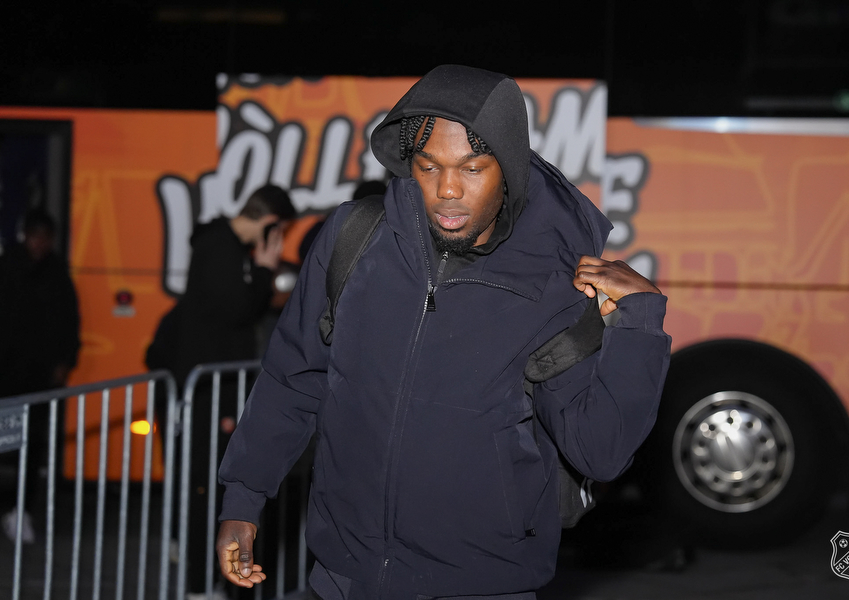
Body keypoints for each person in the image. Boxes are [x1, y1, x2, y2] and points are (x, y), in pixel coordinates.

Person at [216, 65, 671, 599]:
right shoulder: (354, 240)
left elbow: (600, 451)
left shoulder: (554, 283)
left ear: (509, 170)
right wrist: (243, 499)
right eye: (428, 166)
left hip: (481, 584)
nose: (447, 190)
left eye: (472, 168)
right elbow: (291, 380)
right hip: (344, 577)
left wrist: (639, 320)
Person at [162, 183, 295, 600]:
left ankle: (207, 580)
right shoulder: (221, 247)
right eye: (280, 231)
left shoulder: (225, 247)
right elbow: (236, 312)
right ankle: (200, 583)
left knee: (210, 483)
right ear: (270, 222)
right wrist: (264, 270)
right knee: (206, 487)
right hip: (207, 391)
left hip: (212, 388)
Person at [0, 208, 81, 543]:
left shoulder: (57, 274)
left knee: (31, 447)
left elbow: (69, 321)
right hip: (6, 372)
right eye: (35, 237)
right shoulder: (8, 267)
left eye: (45, 238)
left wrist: (63, 362)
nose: (39, 244)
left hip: (37, 377)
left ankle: (21, 510)